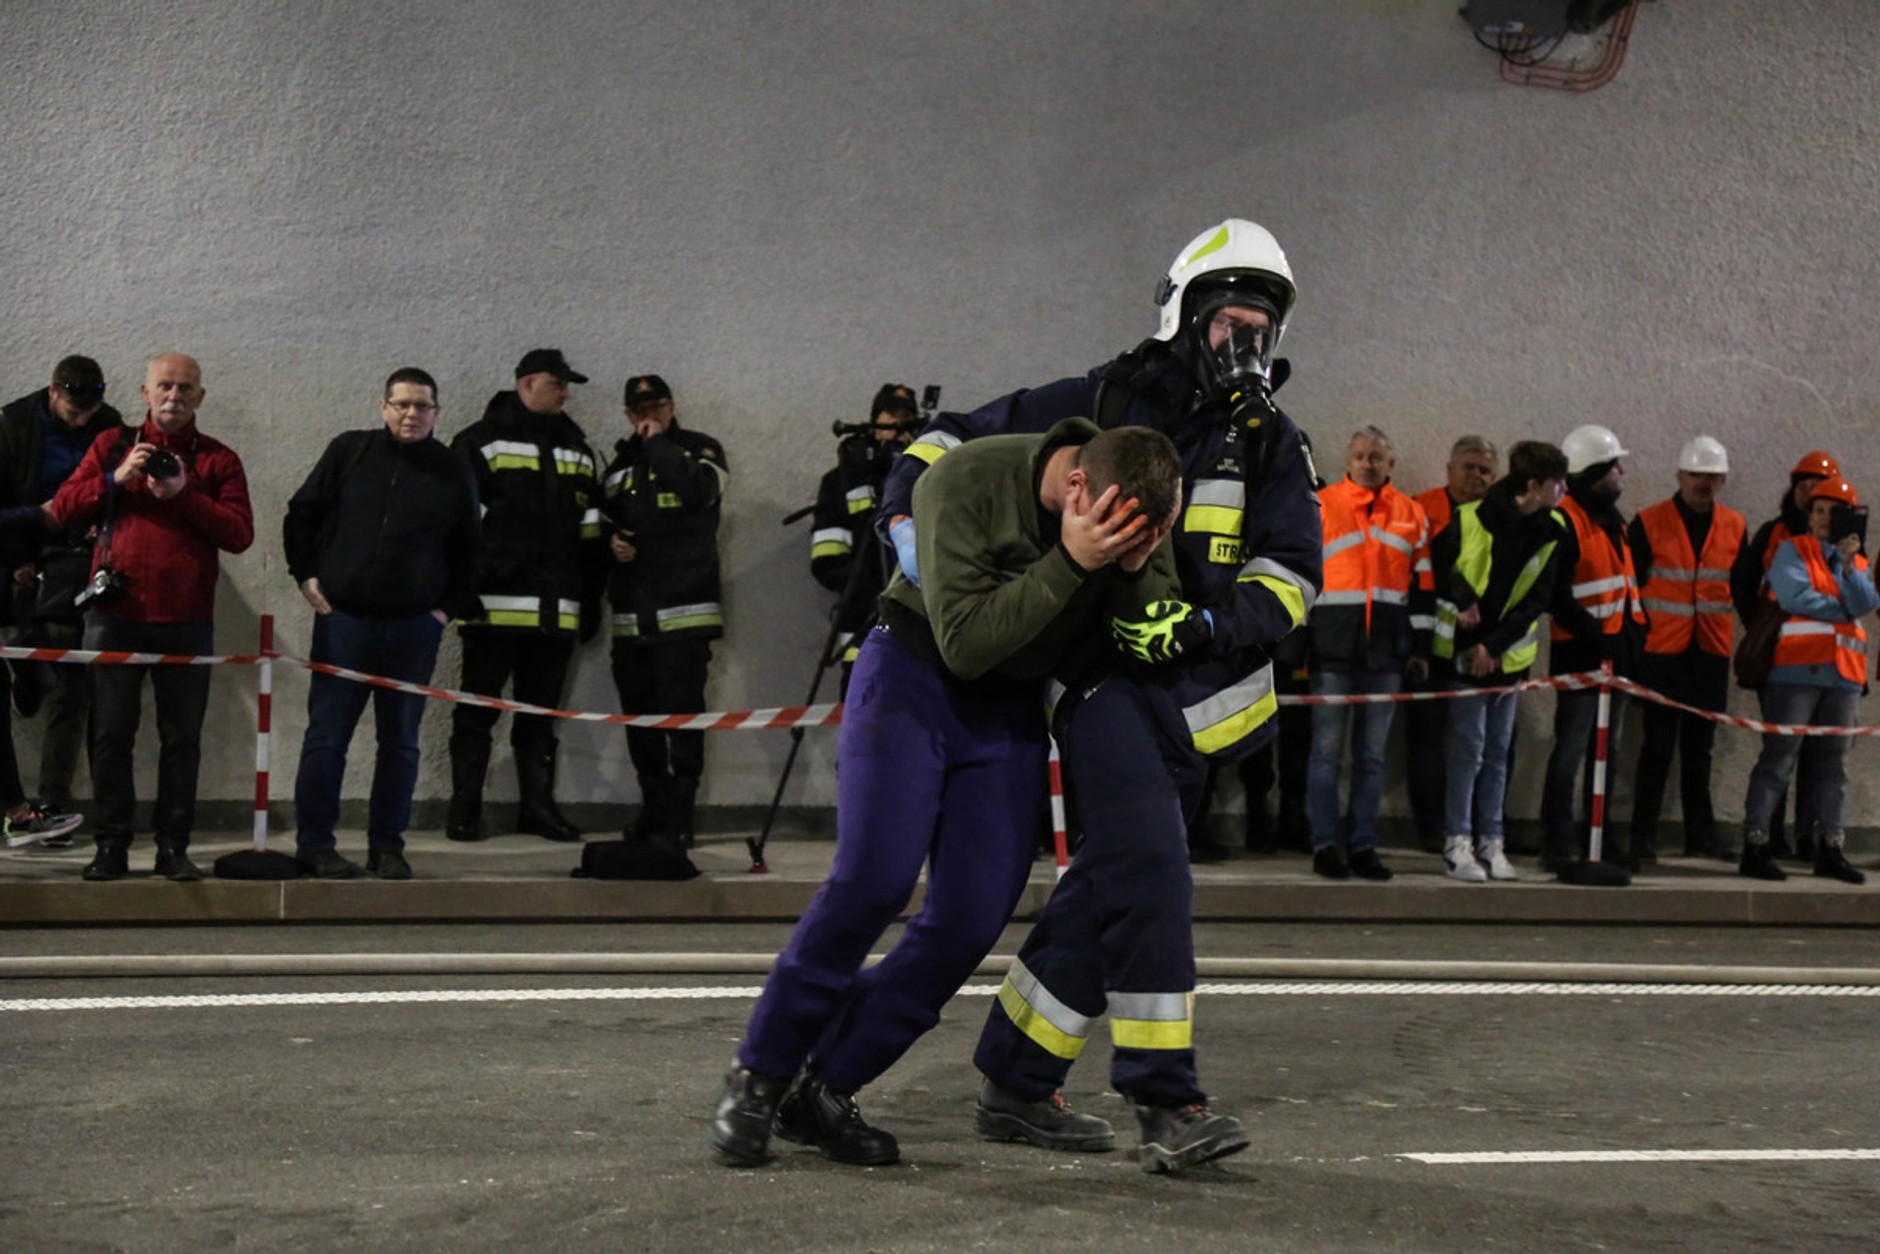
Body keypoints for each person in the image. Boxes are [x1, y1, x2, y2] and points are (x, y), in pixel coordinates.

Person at [881, 218, 1323, 1174]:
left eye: (1261, 328)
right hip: (1105, 683)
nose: (1245, 345)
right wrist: (902, 526)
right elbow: (943, 444)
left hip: (1205, 709)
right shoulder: (1099, 402)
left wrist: (1206, 628)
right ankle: (1167, 1101)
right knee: (1153, 875)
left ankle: (1015, 1075)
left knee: (1107, 887)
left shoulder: (1275, 444)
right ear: (1184, 316)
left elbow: (1293, 576)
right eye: (1228, 323)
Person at [711, 420, 1181, 1169]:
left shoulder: (1131, 508)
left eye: (1144, 537)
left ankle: (825, 1087)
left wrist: (1131, 570)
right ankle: (759, 1075)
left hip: (1008, 711)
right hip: (911, 674)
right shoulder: (965, 479)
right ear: (1076, 488)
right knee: (873, 879)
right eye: (1114, 531)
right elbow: (966, 641)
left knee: (972, 913)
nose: (1124, 544)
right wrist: (1071, 560)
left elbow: (1141, 627)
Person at [46, 354, 253, 881]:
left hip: (186, 619)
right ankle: (111, 845)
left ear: (200, 398)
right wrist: (115, 478)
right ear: (145, 391)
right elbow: (64, 508)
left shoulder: (218, 460)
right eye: (165, 386)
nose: (174, 396)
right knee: (111, 735)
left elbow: (238, 535)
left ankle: (172, 847)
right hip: (115, 615)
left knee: (181, 738)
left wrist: (185, 494)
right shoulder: (111, 446)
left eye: (186, 389)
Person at [281, 368, 484, 880]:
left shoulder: (452, 470)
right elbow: (301, 513)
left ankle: (387, 846)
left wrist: (445, 611)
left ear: (436, 413)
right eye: (401, 404)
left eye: (422, 406)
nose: (411, 414)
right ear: (383, 407)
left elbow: (471, 549)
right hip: (344, 621)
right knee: (327, 738)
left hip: (415, 628)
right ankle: (315, 845)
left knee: (401, 742)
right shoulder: (349, 452)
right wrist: (306, 577)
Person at [447, 349, 604, 845]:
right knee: (476, 714)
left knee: (541, 718)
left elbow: (592, 531)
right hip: (492, 610)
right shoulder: (480, 442)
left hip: (557, 611)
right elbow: (455, 525)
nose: (565, 393)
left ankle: (537, 809)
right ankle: (464, 809)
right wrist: (462, 592)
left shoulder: (578, 448)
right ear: (527, 383)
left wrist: (590, 598)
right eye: (557, 384)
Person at [1430, 441, 1567, 882]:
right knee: (1466, 751)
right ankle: (1457, 842)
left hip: (1506, 658)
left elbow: (1538, 599)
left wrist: (1496, 648)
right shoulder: (1470, 516)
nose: (1563, 490)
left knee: (1497, 754)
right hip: (1466, 655)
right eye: (1556, 483)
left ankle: (1493, 841)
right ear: (1533, 485)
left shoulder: (1552, 528)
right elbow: (1442, 567)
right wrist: (1467, 607)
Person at [0, 356, 120, 847]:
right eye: (73, 412)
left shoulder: (109, 425)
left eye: (89, 413)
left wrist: (103, 519)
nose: (81, 422)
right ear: (52, 392)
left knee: (74, 693)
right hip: (23, 568)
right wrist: (27, 541)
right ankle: (22, 808)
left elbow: (119, 489)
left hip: (83, 567)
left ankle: (53, 809)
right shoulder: (13, 426)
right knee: (40, 685)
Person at [602, 375, 727, 847]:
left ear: (672, 407)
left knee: (683, 720)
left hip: (685, 614)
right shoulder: (619, 466)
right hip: (632, 619)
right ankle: (653, 808)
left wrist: (656, 446)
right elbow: (602, 520)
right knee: (640, 722)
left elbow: (697, 492)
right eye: (637, 411)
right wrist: (610, 544)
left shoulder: (702, 452)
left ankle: (681, 815)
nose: (646, 417)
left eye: (655, 407)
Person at [1302, 426, 1431, 881]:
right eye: (1359, 455)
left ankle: (1362, 846)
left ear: (1390, 463)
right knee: (1325, 754)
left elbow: (1424, 588)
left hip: (1387, 652)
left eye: (1376, 456)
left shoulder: (1412, 514)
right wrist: (1299, 647)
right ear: (1348, 460)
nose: (1367, 463)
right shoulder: (1321, 506)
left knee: (1371, 757)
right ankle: (1324, 845)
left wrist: (1420, 648)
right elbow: (1301, 578)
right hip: (1332, 648)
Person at [1737, 475, 1875, 884]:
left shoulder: (1858, 560)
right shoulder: (1790, 550)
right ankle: (1756, 843)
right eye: (1817, 511)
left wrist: (1849, 570)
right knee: (1779, 758)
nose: (1823, 519)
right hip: (1795, 673)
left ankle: (1830, 847)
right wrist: (1843, 607)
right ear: (1807, 515)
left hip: (1844, 677)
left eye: (1833, 512)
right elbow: (1797, 597)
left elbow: (1868, 602)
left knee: (1835, 766)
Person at [1624, 436, 1743, 862]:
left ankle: (1701, 836)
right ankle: (1642, 840)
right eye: (1696, 475)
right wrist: (1633, 652)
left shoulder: (1734, 526)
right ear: (1679, 476)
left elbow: (1743, 591)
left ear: (1723, 480)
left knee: (1699, 752)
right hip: (1661, 654)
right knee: (1655, 750)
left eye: (1711, 476)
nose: (1703, 483)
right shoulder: (1649, 521)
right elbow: (1630, 591)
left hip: (1709, 654)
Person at [1540, 423, 1645, 872]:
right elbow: (1557, 597)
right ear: (1593, 473)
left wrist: (1631, 641)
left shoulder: (1611, 521)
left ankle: (1598, 838)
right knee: (1572, 751)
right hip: (1582, 656)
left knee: (1607, 752)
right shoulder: (1565, 521)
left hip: (1615, 655)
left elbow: (1624, 587)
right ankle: (1557, 843)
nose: (1622, 473)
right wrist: (1598, 638)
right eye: (1614, 467)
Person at [1731, 450, 1841, 863]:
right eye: (1804, 486)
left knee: (1821, 755)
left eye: (1819, 489)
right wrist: (1763, 628)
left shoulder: (1845, 543)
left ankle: (1811, 838)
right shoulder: (1772, 534)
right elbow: (1742, 585)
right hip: (1781, 662)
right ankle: (1769, 837)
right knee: (1780, 751)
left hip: (1831, 665)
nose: (1811, 495)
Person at [1406, 435, 1499, 853]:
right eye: (1468, 466)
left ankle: (1475, 827)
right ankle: (1430, 827)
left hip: (1478, 650)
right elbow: (1415, 567)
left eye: (1484, 469)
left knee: (1481, 746)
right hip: (1429, 648)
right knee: (1426, 740)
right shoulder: (1421, 508)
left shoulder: (1500, 516)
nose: (1475, 475)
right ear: (1449, 470)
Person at [809, 384, 917, 695]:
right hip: (863, 637)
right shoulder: (841, 480)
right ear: (874, 421)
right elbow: (826, 561)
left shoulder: (929, 479)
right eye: (891, 416)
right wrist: (870, 590)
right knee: (864, 734)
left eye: (907, 418)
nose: (899, 426)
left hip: (923, 639)